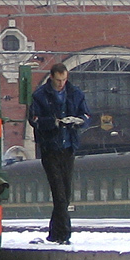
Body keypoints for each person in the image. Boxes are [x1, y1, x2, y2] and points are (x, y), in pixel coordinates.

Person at [27, 63, 90, 244]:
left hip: (68, 147)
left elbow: (86, 115)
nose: (62, 83)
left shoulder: (76, 93)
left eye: (64, 79)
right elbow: (34, 119)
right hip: (50, 148)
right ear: (52, 77)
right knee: (59, 193)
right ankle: (64, 234)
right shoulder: (40, 96)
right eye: (58, 80)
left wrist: (78, 121)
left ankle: (55, 234)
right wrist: (53, 122)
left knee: (65, 193)